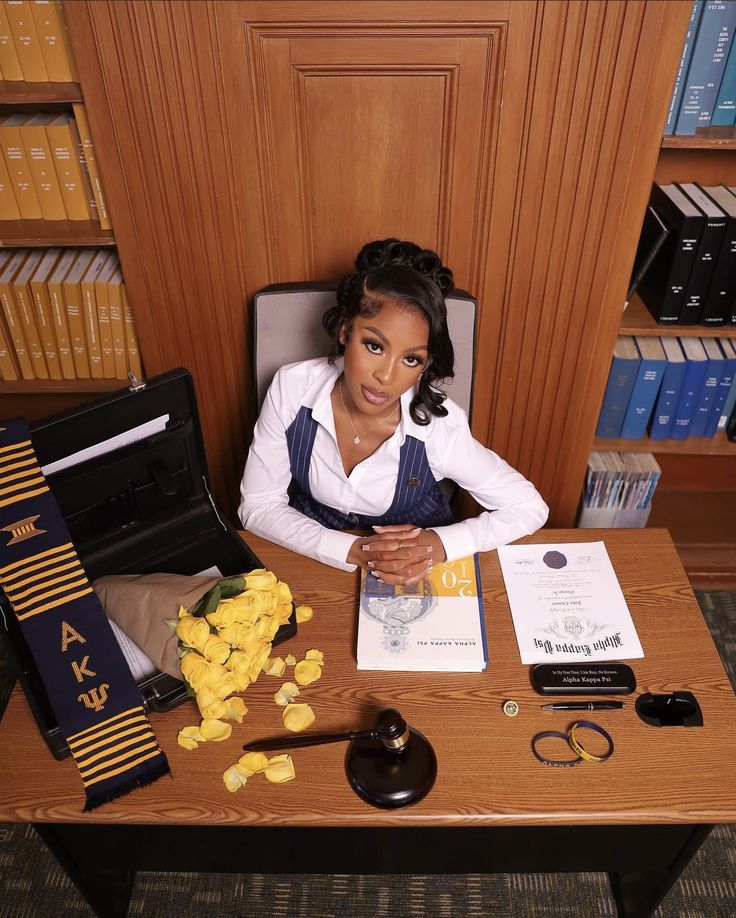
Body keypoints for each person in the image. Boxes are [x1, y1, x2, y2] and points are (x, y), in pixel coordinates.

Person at [239, 238, 548, 585]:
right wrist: (355, 548)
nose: (386, 377)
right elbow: (258, 506)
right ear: (345, 331)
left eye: (411, 359)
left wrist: (439, 544)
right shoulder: (292, 389)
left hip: (412, 566)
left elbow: (529, 508)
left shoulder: (439, 428)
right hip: (312, 551)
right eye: (374, 346)